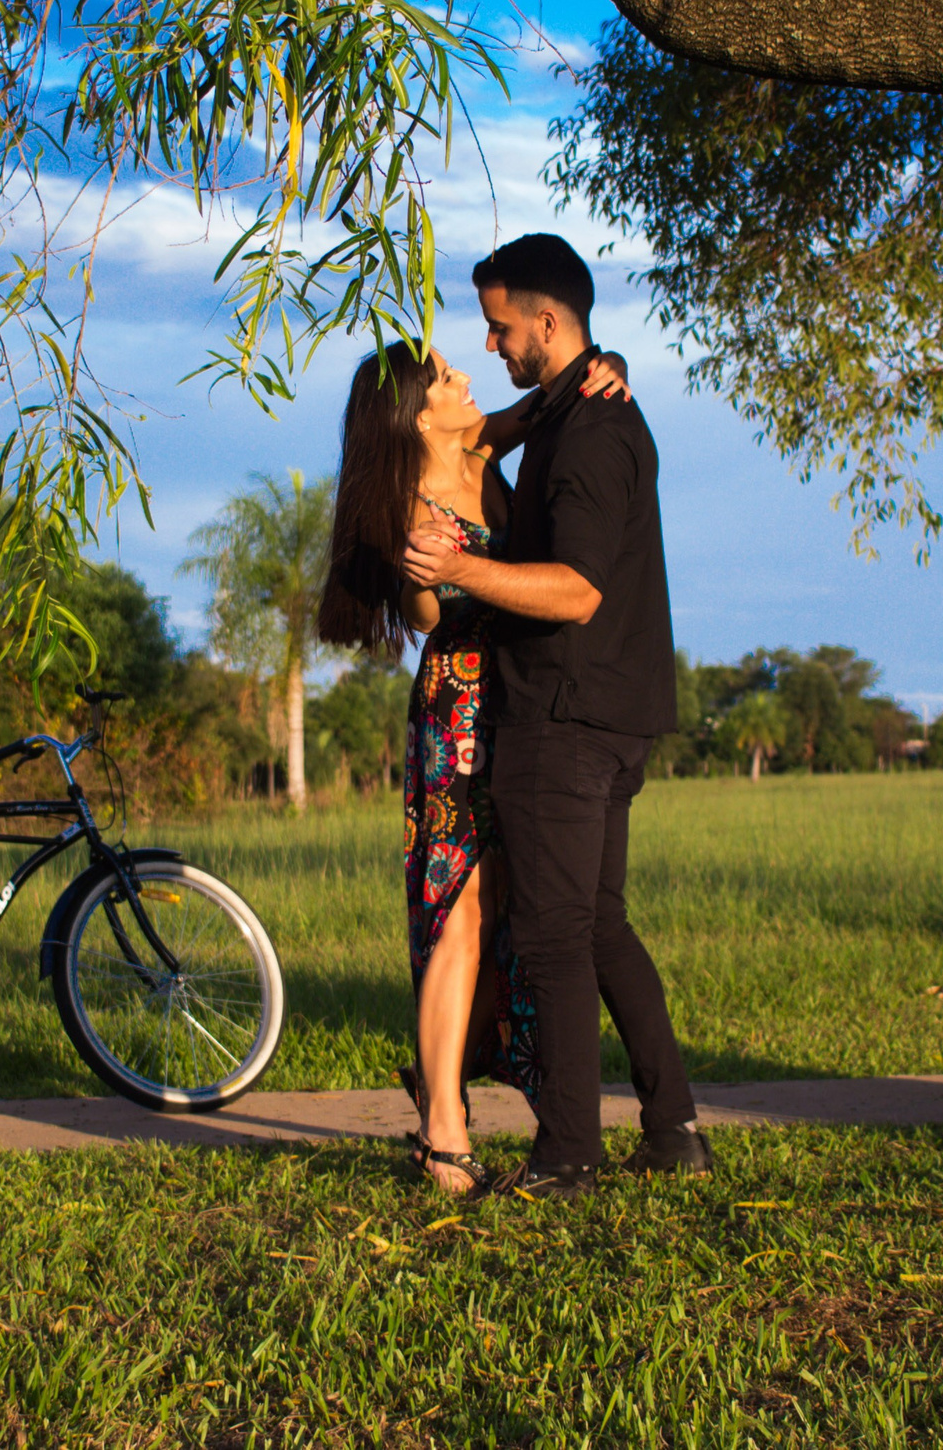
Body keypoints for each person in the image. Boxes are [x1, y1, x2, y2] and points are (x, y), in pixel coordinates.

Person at [402, 232, 710, 1199]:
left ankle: (569, 1153)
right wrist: (591, 370)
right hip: (617, 711)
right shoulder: (588, 409)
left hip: (563, 718)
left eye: (500, 328)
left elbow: (576, 590)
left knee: (554, 936)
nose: (490, 346)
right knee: (603, 928)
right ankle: (674, 1128)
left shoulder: (588, 431)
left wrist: (455, 568)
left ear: (547, 320)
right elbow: (500, 424)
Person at [316, 336, 628, 1195]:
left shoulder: (485, 442)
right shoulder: (409, 505)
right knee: (458, 910)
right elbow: (425, 617)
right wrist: (428, 568)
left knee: (514, 910)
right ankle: (444, 1129)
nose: (466, 378)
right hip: (459, 713)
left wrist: (609, 366)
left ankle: (461, 1088)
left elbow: (557, 398)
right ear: (418, 411)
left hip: (528, 703)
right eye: (449, 378)